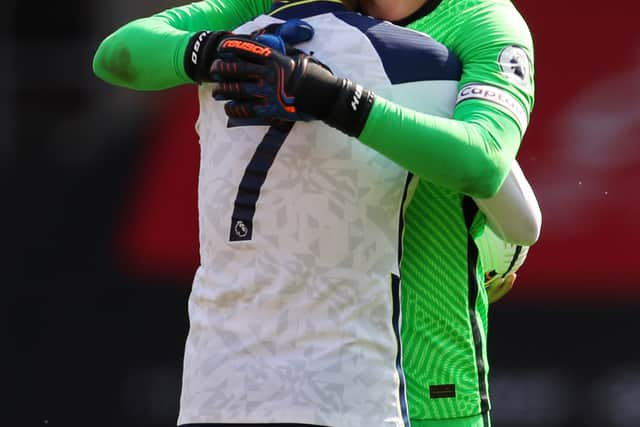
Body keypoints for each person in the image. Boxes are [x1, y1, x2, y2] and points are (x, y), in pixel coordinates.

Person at [92, 1, 538, 426]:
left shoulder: (481, 22)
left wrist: (333, 97)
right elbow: (118, 53)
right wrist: (211, 51)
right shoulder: (273, 3)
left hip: (429, 370)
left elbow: (485, 163)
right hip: (309, 370)